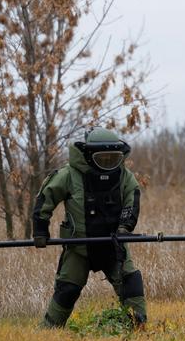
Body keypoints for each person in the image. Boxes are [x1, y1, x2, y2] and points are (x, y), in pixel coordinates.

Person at [32, 127, 147, 328]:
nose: (108, 163)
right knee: (67, 290)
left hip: (114, 247)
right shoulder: (68, 175)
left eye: (113, 158)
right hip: (79, 248)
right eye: (103, 158)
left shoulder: (124, 176)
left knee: (131, 282)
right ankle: (47, 332)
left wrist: (125, 227)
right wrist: (40, 231)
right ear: (88, 155)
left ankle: (139, 327)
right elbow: (46, 199)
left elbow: (132, 200)